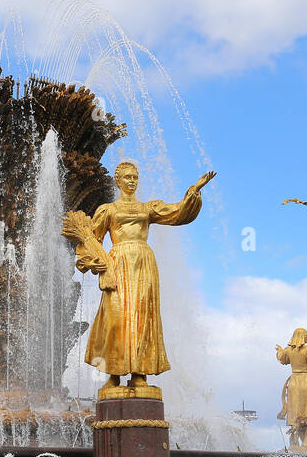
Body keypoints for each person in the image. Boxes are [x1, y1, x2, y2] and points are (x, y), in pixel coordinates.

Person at [79, 162, 215, 391]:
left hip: (143, 263)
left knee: (142, 316)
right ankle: (113, 373)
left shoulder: (147, 208)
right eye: (127, 177)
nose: (132, 181)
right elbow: (91, 240)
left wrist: (195, 191)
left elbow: (178, 213)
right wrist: (97, 264)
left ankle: (139, 373)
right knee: (116, 317)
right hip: (118, 263)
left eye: (135, 177)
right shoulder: (108, 210)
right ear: (118, 181)